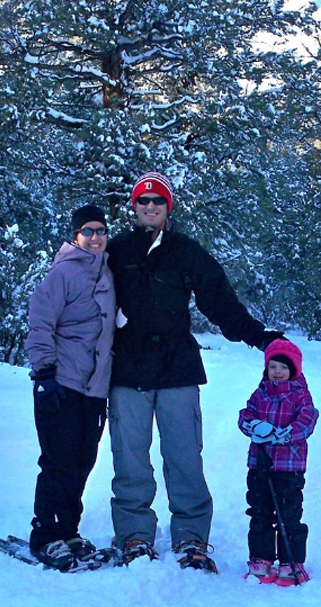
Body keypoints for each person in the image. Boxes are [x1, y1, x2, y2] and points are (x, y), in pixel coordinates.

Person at [105, 170, 283, 573]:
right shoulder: (115, 252)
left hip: (177, 367)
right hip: (128, 368)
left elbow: (221, 304)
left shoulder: (186, 252)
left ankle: (191, 537)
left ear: (169, 208)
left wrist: (261, 338)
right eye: (142, 201)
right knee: (129, 458)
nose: (150, 207)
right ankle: (134, 534)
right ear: (134, 206)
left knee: (184, 456)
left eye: (158, 201)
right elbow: (85, 300)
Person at [23, 204, 115, 571]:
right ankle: (46, 534)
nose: (95, 237)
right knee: (58, 461)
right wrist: (43, 373)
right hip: (60, 381)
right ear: (76, 236)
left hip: (94, 388)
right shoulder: (61, 273)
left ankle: (69, 529)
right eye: (87, 231)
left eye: (100, 230)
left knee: (82, 461)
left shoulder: (109, 272)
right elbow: (40, 322)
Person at [238, 339, 319, 586]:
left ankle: (291, 561)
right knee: (260, 510)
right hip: (260, 464)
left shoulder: (300, 395)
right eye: (273, 366)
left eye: (283, 367)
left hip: (289, 466)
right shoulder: (260, 393)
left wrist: (287, 433)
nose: (277, 372)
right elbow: (245, 415)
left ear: (293, 369)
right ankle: (261, 559)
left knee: (289, 512)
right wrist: (252, 426)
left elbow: (308, 419)